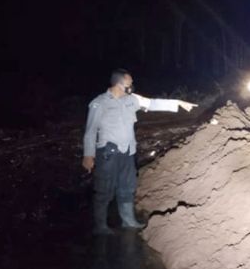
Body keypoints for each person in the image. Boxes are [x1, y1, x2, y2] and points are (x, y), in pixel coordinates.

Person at [82, 68, 197, 235]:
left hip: (128, 151)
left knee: (127, 186)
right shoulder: (99, 103)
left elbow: (152, 103)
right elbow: (91, 131)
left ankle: (128, 221)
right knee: (104, 189)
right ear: (118, 84)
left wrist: (178, 103)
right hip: (108, 153)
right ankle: (101, 226)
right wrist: (88, 155)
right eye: (129, 83)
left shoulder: (132, 99)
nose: (132, 86)